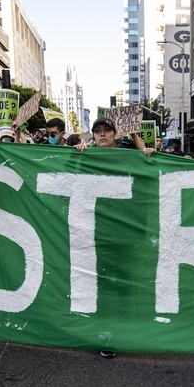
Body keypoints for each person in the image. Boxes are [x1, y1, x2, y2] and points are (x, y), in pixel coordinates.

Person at [75, 117, 154, 357]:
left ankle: (121, 327)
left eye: (106, 130)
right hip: (97, 233)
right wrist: (78, 153)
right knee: (102, 282)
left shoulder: (130, 156)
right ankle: (106, 331)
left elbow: (151, 169)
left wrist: (145, 149)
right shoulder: (86, 156)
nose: (101, 135)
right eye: (97, 131)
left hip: (125, 233)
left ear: (116, 134)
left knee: (124, 284)